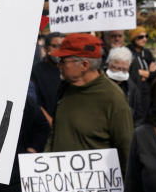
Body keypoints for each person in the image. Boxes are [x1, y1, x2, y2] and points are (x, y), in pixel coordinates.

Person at [45, 33, 134, 172]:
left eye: (63, 60)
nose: (59, 65)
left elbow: (126, 149)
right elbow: (55, 132)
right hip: (59, 183)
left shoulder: (113, 98)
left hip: (96, 188)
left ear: (84, 65)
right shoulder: (64, 88)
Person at [106, 46, 147, 125]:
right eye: (117, 68)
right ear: (108, 64)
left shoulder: (132, 89)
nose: (120, 72)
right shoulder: (100, 84)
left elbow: (139, 116)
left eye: (124, 69)